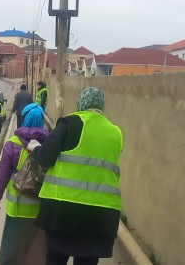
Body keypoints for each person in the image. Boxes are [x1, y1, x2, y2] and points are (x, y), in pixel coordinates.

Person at [27, 87, 123, 265]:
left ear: (81, 103)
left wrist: (35, 148)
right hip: (101, 216)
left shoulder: (70, 123)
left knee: (56, 258)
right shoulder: (116, 132)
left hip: (64, 211)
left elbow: (46, 158)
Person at [0, 103, 49, 265]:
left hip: (16, 209)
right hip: (40, 210)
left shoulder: (13, 143)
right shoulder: (50, 145)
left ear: (24, 119)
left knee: (12, 250)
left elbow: (2, 175)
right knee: (37, 251)